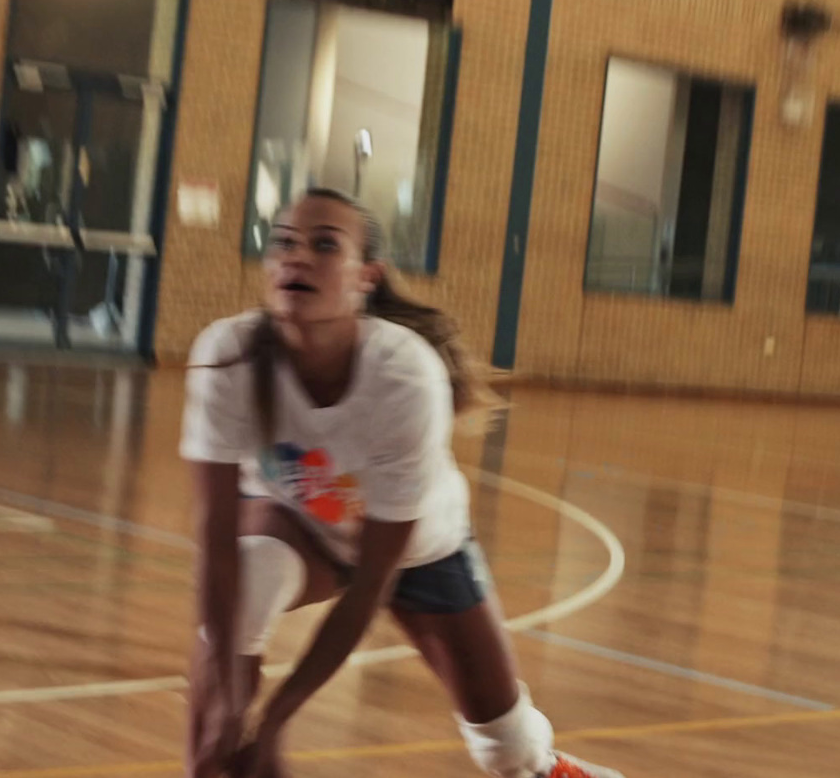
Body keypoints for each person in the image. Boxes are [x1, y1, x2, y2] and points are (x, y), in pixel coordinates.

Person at [180, 188, 621, 778]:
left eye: (324, 245)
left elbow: (370, 587)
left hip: (416, 551)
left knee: (509, 753)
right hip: (298, 522)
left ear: (367, 277)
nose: (297, 257)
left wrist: (278, 717)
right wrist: (229, 711)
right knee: (243, 586)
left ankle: (551, 765)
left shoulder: (404, 376)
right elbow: (215, 543)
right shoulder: (228, 357)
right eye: (283, 243)